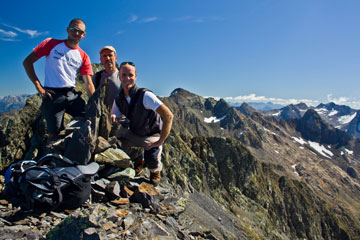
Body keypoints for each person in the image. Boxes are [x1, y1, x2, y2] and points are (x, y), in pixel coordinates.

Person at [23, 18, 95, 137]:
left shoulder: (83, 56)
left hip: (72, 95)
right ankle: (52, 154)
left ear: (84, 35)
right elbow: (27, 62)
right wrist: (39, 87)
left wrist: (94, 104)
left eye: (80, 31)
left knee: (88, 117)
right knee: (53, 134)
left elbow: (88, 83)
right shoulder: (51, 43)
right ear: (67, 30)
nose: (76, 33)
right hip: (53, 95)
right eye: (73, 29)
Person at [111, 62, 173, 186]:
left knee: (152, 155)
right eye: (124, 75)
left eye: (130, 75)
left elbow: (168, 115)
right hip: (134, 132)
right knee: (116, 142)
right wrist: (113, 117)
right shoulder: (119, 98)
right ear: (119, 76)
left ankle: (155, 171)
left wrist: (160, 141)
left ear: (135, 76)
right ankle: (138, 159)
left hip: (151, 134)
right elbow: (115, 115)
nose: (127, 78)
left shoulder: (145, 95)